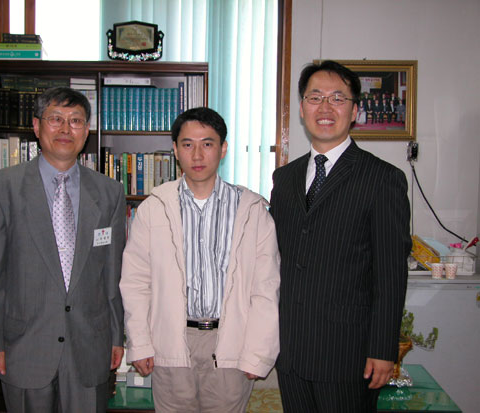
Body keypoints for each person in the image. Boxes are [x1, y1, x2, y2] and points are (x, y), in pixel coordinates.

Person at [0, 87, 126, 413]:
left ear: (86, 130)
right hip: (23, 345)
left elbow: (112, 275)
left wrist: (116, 336)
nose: (66, 129)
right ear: (36, 126)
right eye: (56, 119)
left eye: (76, 121)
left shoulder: (109, 192)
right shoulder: (1, 188)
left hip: (90, 345)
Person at [270, 60, 411, 413]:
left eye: (337, 98)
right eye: (315, 97)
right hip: (291, 351)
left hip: (348, 355)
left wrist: (383, 349)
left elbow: (391, 275)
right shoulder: (284, 179)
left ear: (355, 111)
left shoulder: (382, 179)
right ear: (301, 108)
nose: (325, 107)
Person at [120, 107, 280, 413]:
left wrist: (258, 353)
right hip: (170, 342)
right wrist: (139, 343)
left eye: (207, 144)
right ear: (175, 150)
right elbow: (136, 282)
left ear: (223, 149)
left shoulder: (251, 210)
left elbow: (266, 287)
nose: (197, 155)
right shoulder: (154, 208)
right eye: (187, 144)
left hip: (231, 343)